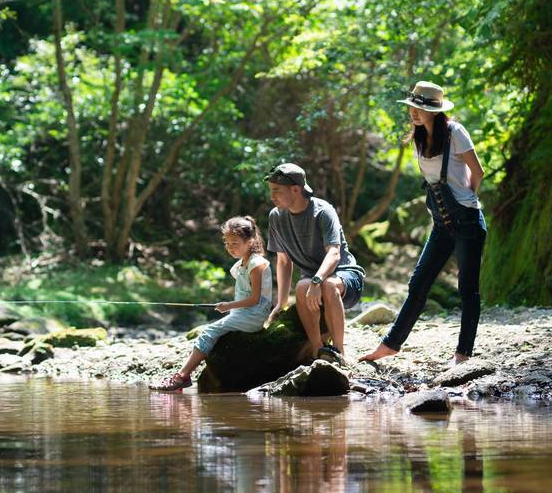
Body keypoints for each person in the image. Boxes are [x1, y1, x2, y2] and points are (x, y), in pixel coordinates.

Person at [360, 81, 486, 365]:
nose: (414, 113)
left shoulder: (456, 133)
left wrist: (467, 198)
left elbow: (478, 172)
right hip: (441, 224)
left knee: (467, 288)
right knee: (418, 284)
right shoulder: (418, 137)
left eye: (421, 109)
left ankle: (463, 354)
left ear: (435, 111)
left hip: (467, 220)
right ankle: (391, 345)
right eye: (412, 108)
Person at [153, 217, 273, 391]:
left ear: (250, 241)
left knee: (209, 331)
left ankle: (182, 378)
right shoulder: (240, 265)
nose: (230, 248)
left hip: (254, 315)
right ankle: (183, 375)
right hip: (243, 314)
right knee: (212, 332)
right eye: (227, 243)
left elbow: (254, 299)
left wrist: (228, 306)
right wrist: (230, 308)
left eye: (235, 243)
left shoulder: (257, 264)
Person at [264, 162, 365, 364]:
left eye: (277, 191)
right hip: (311, 282)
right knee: (301, 286)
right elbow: (283, 261)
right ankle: (318, 351)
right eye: (271, 191)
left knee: (326, 285)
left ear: (296, 189)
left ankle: (339, 352)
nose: (272, 196)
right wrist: (282, 302)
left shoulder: (322, 211)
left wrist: (317, 280)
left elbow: (334, 254)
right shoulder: (276, 216)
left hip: (345, 276)